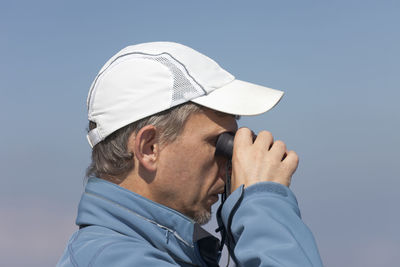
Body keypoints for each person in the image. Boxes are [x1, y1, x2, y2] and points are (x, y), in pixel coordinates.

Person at [57, 42, 323, 266]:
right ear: (149, 147)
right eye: (220, 144)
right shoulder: (116, 260)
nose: (231, 164)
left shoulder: (147, 251)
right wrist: (263, 203)